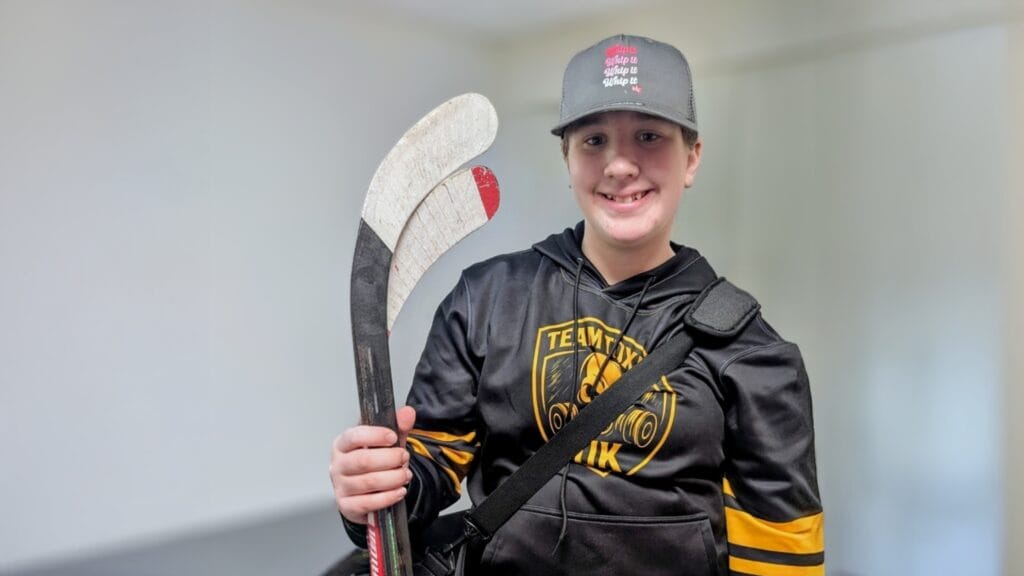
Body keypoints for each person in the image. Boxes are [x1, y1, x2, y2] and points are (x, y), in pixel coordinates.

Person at [330, 34, 824, 575]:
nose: (618, 165)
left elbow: (780, 554)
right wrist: (372, 488)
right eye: (593, 141)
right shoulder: (488, 300)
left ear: (692, 158)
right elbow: (423, 478)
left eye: (649, 135)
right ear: (566, 158)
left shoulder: (753, 353)